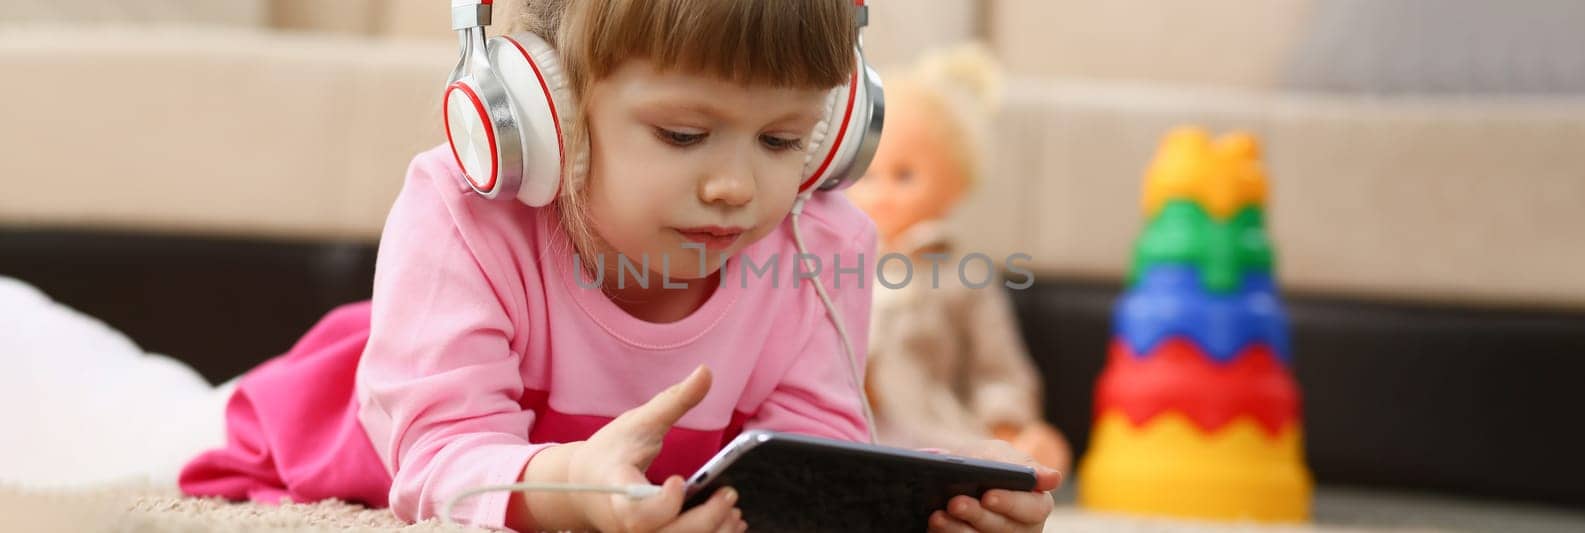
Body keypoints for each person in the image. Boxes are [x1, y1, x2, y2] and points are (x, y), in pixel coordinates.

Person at [179, 1, 1060, 532]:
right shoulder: (465, 215)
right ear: (544, 113)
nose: (736, 185)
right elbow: (439, 458)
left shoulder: (819, 245)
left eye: (782, 139)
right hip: (336, 444)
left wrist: (928, 498)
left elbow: (805, 457)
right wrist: (567, 489)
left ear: (832, 135)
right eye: (683, 134)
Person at [845, 44, 1071, 475]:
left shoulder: (962, 275)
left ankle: (1023, 455)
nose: (882, 193)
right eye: (867, 175)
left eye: (904, 175)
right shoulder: (829, 258)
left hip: (930, 433)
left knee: (989, 461)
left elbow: (999, 365)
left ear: (955, 184)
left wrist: (1005, 422)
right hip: (841, 429)